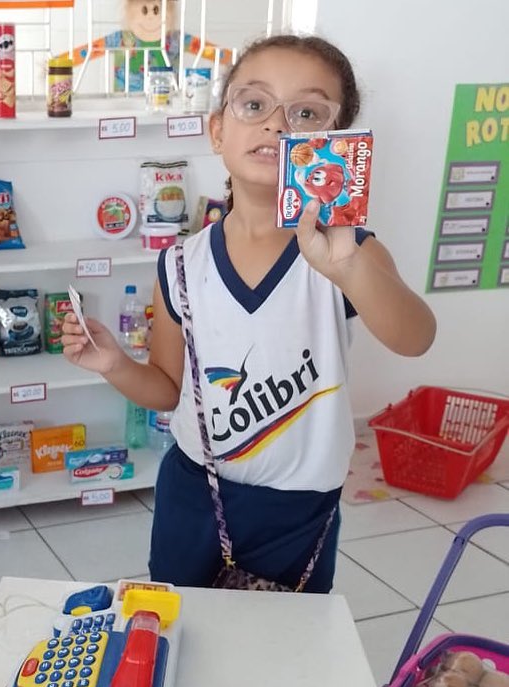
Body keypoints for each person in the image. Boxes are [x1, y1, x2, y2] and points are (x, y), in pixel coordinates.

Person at [63, 35, 436, 593]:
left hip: (299, 510)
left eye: (306, 113)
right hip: (195, 493)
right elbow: (167, 389)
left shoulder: (347, 251)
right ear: (218, 130)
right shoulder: (181, 263)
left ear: (336, 144)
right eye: (255, 104)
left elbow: (417, 337)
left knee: (283, 637)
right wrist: (114, 364)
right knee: (180, 624)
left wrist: (349, 269)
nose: (277, 124)